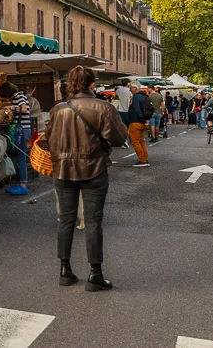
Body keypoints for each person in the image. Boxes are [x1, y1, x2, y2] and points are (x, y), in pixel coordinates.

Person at [45, 66, 128, 292]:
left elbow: (48, 139)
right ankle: (95, 273)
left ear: (71, 85)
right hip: (94, 168)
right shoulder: (103, 108)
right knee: (93, 222)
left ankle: (65, 269)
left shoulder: (58, 109)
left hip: (63, 170)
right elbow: (120, 138)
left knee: (66, 219)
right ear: (92, 84)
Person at [0, 81, 31, 195]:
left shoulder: (19, 96)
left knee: (21, 157)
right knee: (19, 156)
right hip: (23, 129)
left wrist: (12, 107)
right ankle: (22, 182)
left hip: (22, 130)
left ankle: (23, 184)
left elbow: (24, 109)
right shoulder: (18, 96)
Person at [127, 82, 151, 167]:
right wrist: (146, 120)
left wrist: (142, 119)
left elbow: (137, 110)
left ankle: (142, 160)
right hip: (143, 122)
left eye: (130, 88)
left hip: (135, 121)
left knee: (135, 142)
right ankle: (145, 158)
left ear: (135, 88)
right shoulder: (145, 96)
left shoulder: (136, 97)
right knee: (141, 141)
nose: (129, 89)